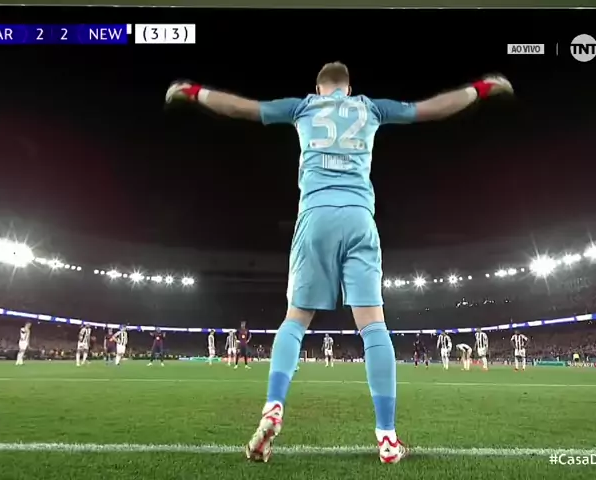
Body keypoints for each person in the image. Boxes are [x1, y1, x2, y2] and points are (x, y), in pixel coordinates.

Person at [165, 62, 513, 464]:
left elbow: (242, 108)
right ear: (349, 88)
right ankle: (387, 438)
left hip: (315, 217)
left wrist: (194, 92)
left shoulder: (304, 107)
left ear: (318, 87)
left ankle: (274, 407)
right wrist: (480, 88)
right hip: (359, 218)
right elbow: (430, 108)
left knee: (295, 320)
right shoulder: (369, 107)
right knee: (374, 327)